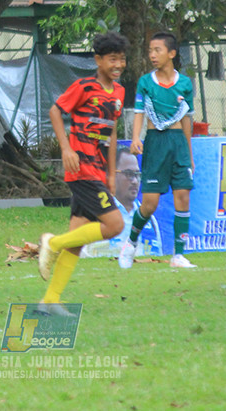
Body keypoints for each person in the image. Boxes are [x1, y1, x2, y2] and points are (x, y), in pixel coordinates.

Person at [37, 32, 128, 312]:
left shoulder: (120, 93)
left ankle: (50, 300)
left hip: (99, 171)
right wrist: (66, 149)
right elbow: (55, 111)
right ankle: (52, 243)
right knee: (115, 226)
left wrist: (112, 173)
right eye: (112, 59)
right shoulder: (84, 87)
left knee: (77, 241)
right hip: (82, 169)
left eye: (122, 59)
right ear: (98, 60)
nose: (118, 64)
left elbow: (111, 134)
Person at [119, 31, 197, 269]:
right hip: (156, 143)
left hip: (178, 145)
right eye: (150, 51)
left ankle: (178, 255)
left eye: (157, 50)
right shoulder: (145, 82)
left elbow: (187, 121)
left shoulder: (185, 84)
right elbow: (140, 112)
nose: (152, 55)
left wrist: (189, 155)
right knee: (150, 203)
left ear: (171, 53)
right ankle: (130, 244)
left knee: (183, 197)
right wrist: (135, 139)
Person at [81, 147, 162, 258]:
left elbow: (157, 257)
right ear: (112, 175)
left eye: (137, 174)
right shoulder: (97, 213)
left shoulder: (149, 219)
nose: (134, 181)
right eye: (128, 174)